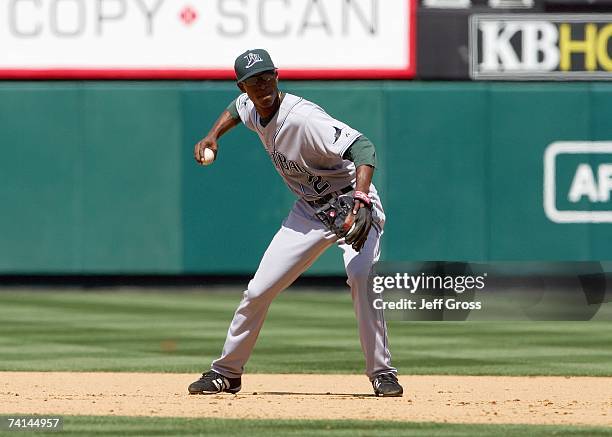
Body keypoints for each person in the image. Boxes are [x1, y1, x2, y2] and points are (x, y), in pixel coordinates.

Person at [188, 49, 402, 397]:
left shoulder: (302, 119)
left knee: (362, 277)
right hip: (309, 211)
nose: (263, 85)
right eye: (254, 81)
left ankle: (382, 372)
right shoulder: (249, 106)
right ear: (243, 87)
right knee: (258, 290)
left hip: (352, 202)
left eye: (268, 76)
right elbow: (235, 110)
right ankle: (227, 372)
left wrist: (362, 198)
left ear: (277, 75)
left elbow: (363, 148)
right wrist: (213, 135)